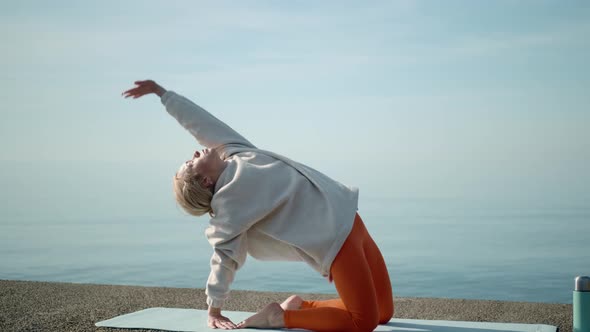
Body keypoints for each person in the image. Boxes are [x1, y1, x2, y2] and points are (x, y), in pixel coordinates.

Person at [122, 80, 394, 332]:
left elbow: (202, 124)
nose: (194, 152)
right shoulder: (229, 204)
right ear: (205, 181)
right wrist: (214, 310)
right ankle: (280, 316)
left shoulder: (236, 152)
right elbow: (224, 257)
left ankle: (302, 306)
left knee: (384, 311)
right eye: (190, 162)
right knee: (363, 322)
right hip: (336, 242)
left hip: (351, 220)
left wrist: (162, 94)